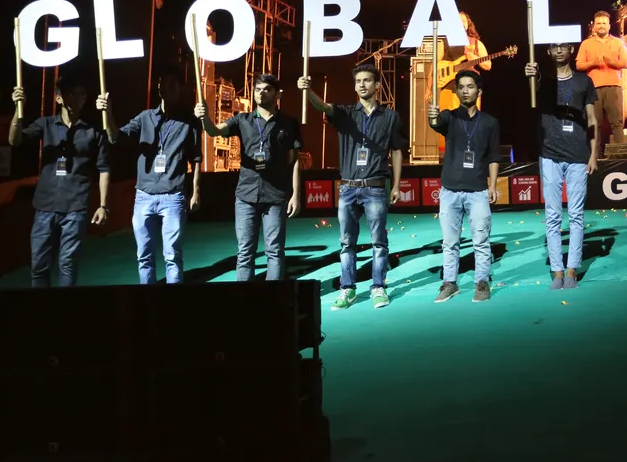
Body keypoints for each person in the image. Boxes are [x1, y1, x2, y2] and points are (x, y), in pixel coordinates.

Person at [299, 64, 406, 310]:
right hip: (347, 189)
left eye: (367, 80)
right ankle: (348, 289)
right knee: (347, 242)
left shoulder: (390, 117)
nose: (362, 84)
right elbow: (324, 107)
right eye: (358, 81)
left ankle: (378, 287)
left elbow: (397, 151)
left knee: (379, 241)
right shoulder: (346, 113)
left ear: (377, 85)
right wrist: (309, 91)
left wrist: (397, 184)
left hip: (376, 188)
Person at [196, 74, 301, 279]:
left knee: (275, 251)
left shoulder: (289, 123)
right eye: (258, 89)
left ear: (277, 94)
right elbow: (213, 131)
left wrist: (296, 194)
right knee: (245, 253)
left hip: (276, 195)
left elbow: (294, 160)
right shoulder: (242, 120)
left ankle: (275, 300)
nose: (261, 93)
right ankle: (246, 301)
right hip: (245, 195)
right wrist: (205, 118)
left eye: (267, 89)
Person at [9, 75, 111, 287]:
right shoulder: (45, 125)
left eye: (82, 94)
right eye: (73, 93)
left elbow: (103, 168)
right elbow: (14, 140)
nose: (79, 98)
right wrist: (18, 111)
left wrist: (103, 205)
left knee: (68, 264)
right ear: (59, 98)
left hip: (76, 207)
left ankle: (62, 313)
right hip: (44, 206)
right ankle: (42, 312)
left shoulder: (93, 131)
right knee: (39, 265)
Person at [102, 69, 202, 283]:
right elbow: (114, 137)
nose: (167, 89)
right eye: (163, 84)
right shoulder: (145, 118)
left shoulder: (190, 121)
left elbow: (196, 158)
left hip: (173, 196)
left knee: (172, 255)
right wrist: (108, 112)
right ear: (159, 89)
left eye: (172, 85)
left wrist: (195, 191)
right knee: (144, 255)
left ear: (180, 89)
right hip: (144, 196)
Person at [525, 42, 599, 289]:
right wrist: (532, 75)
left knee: (576, 216)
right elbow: (534, 90)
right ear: (548, 52)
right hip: (550, 156)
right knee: (553, 215)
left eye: (563, 47)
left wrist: (593, 154)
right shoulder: (543, 82)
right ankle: (557, 270)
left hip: (578, 155)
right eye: (554, 47)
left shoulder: (584, 81)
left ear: (571, 51)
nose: (559, 51)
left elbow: (592, 119)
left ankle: (571, 270)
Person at [428, 70, 501, 303]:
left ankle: (481, 282)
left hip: (478, 191)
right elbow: (435, 123)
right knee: (450, 242)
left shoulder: (490, 122)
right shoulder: (449, 117)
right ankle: (449, 283)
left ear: (479, 92)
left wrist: (493, 185)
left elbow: (494, 157)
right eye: (461, 87)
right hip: (449, 191)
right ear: (457, 91)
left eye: (470, 86)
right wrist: (432, 115)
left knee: (480, 241)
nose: (465, 90)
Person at [576, 10, 627, 146]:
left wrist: (610, 61)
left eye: (604, 23)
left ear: (609, 25)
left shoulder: (618, 43)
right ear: (594, 26)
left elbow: (625, 63)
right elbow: (578, 65)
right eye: (598, 23)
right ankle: (596, 156)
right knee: (595, 123)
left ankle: (619, 154)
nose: (601, 26)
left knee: (616, 122)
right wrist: (593, 63)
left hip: (614, 87)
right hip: (593, 88)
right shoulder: (586, 44)